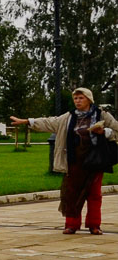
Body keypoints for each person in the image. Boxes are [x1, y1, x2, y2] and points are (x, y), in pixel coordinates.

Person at [11, 87, 118, 235]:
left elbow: (116, 130)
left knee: (94, 193)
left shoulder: (102, 115)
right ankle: (71, 224)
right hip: (74, 159)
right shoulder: (69, 117)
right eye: (75, 98)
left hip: (95, 159)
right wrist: (27, 121)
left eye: (81, 98)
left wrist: (104, 132)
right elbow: (50, 122)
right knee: (71, 192)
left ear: (89, 99)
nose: (78, 101)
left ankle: (94, 225)